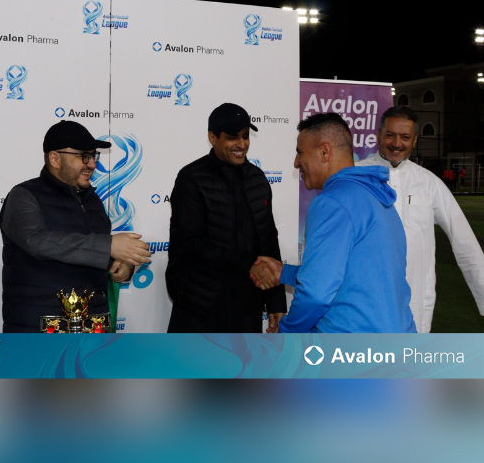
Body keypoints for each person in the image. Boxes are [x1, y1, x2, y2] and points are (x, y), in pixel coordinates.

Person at [251, 112, 416, 333]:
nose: (296, 162)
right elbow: (350, 276)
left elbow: (316, 294)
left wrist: (286, 335)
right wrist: (284, 273)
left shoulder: (333, 202)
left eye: (300, 152)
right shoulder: (376, 196)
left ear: (324, 151)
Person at [0, 120, 151, 333]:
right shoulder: (23, 195)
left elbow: (89, 252)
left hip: (93, 326)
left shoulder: (92, 200)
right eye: (84, 156)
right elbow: (37, 241)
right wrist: (109, 247)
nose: (92, 164)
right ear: (55, 158)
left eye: (94, 156)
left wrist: (121, 265)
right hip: (40, 328)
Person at [357, 106, 484, 332]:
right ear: (378, 135)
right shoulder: (354, 176)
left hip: (415, 303)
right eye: (390, 135)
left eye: (405, 137)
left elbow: (465, 244)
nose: (397, 143)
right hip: (363, 302)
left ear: (415, 140)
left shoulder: (429, 183)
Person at [165, 102, 287, 333]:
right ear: (212, 138)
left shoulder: (258, 179)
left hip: (247, 304)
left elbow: (269, 241)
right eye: (232, 137)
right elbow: (191, 243)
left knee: (244, 358)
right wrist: (247, 263)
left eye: (245, 136)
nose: (242, 144)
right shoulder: (191, 178)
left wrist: (276, 301)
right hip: (199, 304)